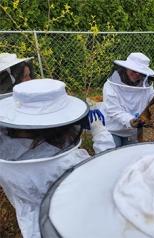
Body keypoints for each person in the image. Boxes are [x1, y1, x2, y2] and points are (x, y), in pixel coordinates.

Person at [0, 79, 115, 238]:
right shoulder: (69, 163)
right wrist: (100, 132)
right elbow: (108, 173)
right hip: (68, 225)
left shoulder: (6, 157)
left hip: (31, 224)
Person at [102, 52, 154, 147]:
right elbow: (113, 111)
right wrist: (130, 121)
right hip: (113, 129)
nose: (137, 74)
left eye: (140, 72)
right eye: (134, 70)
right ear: (126, 68)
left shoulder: (145, 85)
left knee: (132, 157)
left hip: (133, 132)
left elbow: (153, 97)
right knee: (112, 154)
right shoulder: (110, 86)